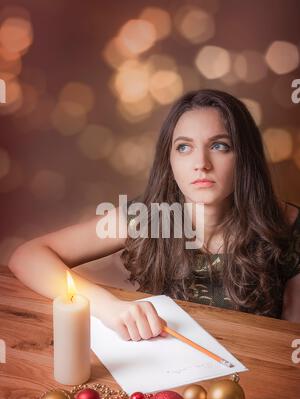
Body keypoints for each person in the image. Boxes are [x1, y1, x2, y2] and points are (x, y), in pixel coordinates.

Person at [8, 90, 300, 342]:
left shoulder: (288, 227)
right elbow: (28, 256)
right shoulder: (149, 216)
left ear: (245, 156)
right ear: (169, 160)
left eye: (219, 146)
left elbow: (289, 344)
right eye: (184, 147)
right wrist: (109, 307)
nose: (201, 163)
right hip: (165, 374)